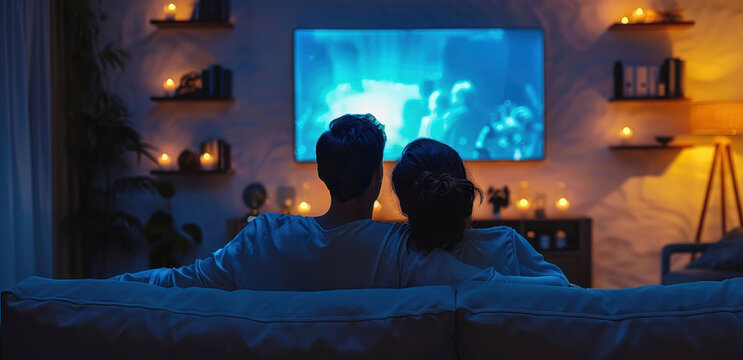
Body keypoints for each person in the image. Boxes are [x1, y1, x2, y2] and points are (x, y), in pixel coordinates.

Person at [112, 114, 567, 290]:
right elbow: (494, 288)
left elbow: (177, 281)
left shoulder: (260, 238)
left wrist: (104, 287)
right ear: (377, 178)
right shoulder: (404, 254)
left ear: (321, 175)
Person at [392, 138, 568, 284]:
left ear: (404, 204)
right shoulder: (504, 245)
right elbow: (563, 289)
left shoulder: (392, 257)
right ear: (463, 195)